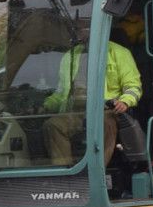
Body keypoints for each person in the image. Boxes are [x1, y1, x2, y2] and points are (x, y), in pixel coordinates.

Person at [42, 15, 146, 171]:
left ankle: (96, 173)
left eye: (82, 28)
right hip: (76, 112)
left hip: (106, 110)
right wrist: (45, 105)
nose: (78, 32)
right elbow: (61, 93)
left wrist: (124, 101)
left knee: (103, 124)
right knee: (52, 125)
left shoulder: (118, 52)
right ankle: (64, 171)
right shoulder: (69, 57)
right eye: (76, 29)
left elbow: (133, 85)